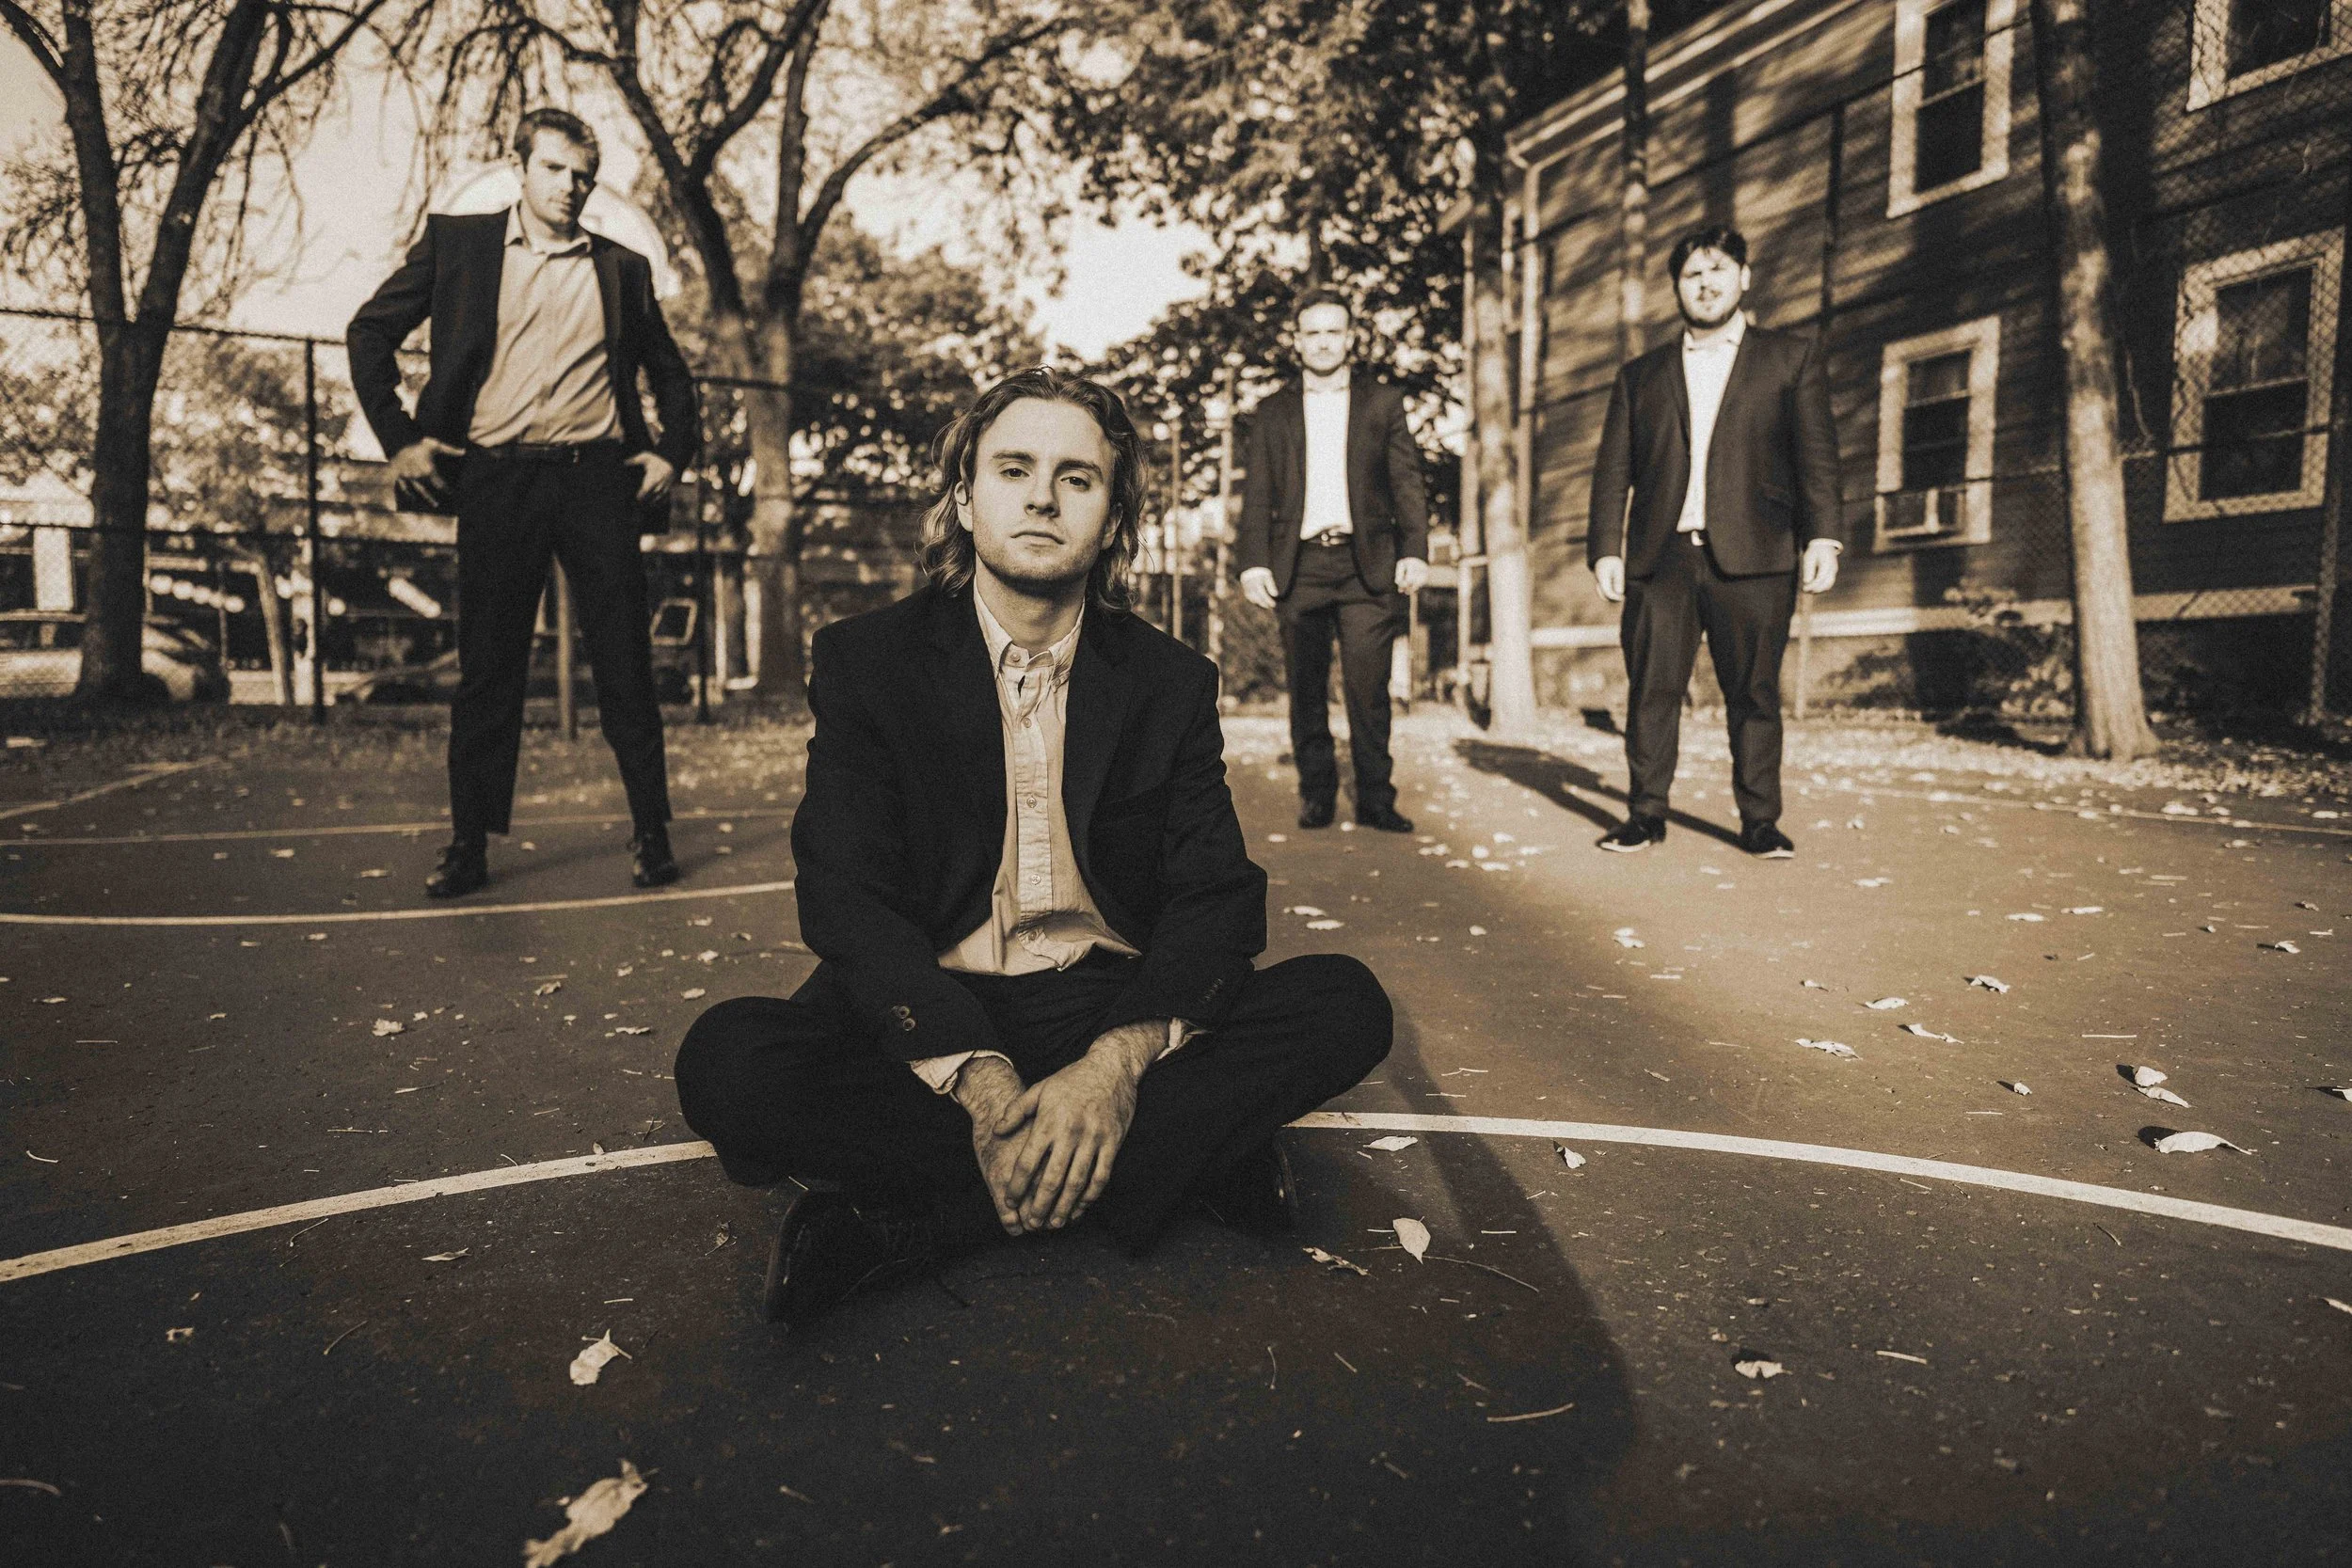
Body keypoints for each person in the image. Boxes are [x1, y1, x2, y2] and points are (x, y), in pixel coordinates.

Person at [673, 367, 1393, 1332]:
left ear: (1112, 516)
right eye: (1014, 468)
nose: (1043, 495)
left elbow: (1215, 897)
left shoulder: (1169, 681)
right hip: (939, 1006)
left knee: (1345, 1002)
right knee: (728, 1062)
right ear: (966, 497)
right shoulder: (868, 661)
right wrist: (977, 1077)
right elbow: (847, 899)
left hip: (1109, 998)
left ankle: (922, 1217)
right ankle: (1183, 1163)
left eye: (1077, 477)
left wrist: (1112, 1070)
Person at [346, 107, 699, 898]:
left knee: (626, 664)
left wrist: (671, 453)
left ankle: (653, 833)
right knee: (488, 671)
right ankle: (469, 844)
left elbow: (673, 375)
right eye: (555, 169)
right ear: (520, 168)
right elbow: (368, 333)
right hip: (497, 480)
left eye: (583, 175)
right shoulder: (460, 246)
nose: (571, 186)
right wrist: (399, 438)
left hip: (598, 482)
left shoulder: (622, 268)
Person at [1586, 224, 1844, 859]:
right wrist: (1606, 548)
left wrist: (1824, 539)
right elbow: (1613, 466)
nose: (1705, 285)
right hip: (1660, 556)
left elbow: (1817, 456)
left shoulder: (1790, 358)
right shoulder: (1640, 375)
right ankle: (1645, 814)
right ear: (1677, 287)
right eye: (1692, 275)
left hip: (1757, 555)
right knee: (1652, 690)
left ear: (1743, 278)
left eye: (1717, 271)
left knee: (1754, 692)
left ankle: (1759, 820)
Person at [1236, 287, 1430, 833]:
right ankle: (1316, 794)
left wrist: (1415, 550)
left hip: (1367, 564)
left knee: (1369, 691)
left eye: (1333, 332)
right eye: (1312, 332)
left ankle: (1376, 799)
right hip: (1298, 566)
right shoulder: (1272, 412)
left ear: (1350, 338)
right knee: (1306, 688)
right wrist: (1253, 562)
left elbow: (1406, 481)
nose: (1323, 343)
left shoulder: (1381, 404)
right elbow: (1257, 492)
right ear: (1298, 342)